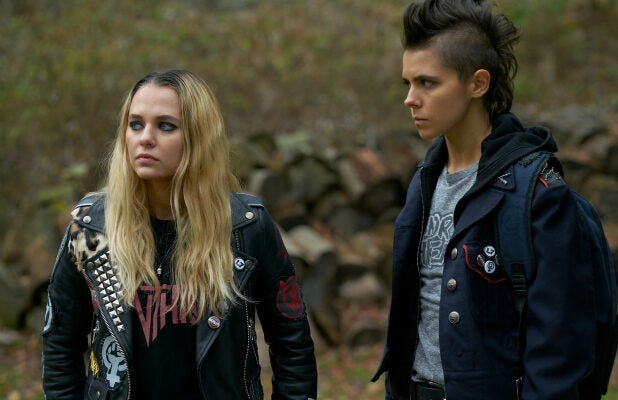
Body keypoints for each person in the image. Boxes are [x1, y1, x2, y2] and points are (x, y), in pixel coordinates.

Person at [42, 69, 318, 400]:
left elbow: (292, 343)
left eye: (166, 126)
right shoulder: (91, 229)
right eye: (135, 124)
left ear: (199, 137)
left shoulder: (246, 228)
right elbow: (61, 343)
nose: (145, 138)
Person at [372, 1, 598, 399]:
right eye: (407, 83)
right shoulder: (424, 182)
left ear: (478, 84)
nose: (410, 98)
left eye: (427, 83)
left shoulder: (538, 193)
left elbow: (559, 349)